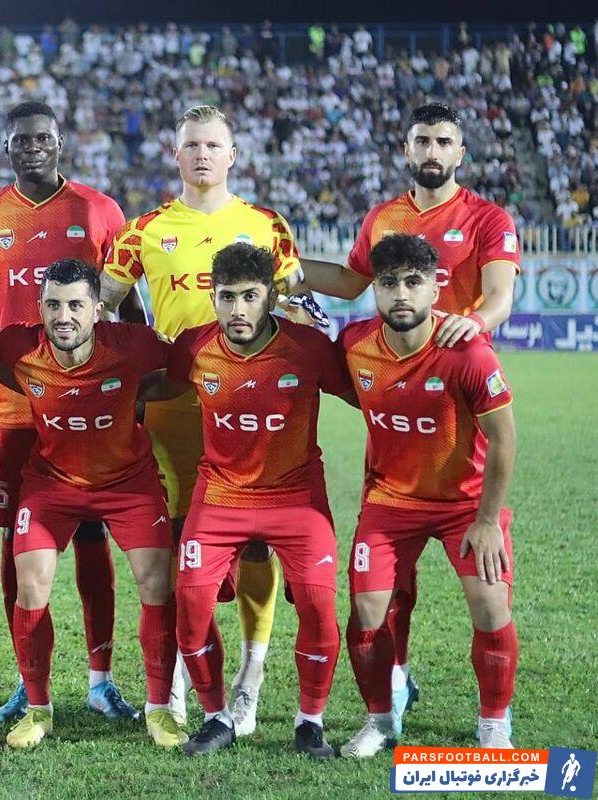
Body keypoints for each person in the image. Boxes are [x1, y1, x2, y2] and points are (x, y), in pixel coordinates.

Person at [296, 102, 521, 731]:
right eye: (422, 140)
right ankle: (392, 687)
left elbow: (500, 296)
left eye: (444, 141)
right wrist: (287, 271)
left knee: (485, 594)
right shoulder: (383, 217)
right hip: (395, 395)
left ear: (460, 153)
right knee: (386, 585)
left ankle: (494, 724)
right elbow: (349, 282)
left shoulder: (486, 218)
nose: (432, 151)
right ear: (406, 149)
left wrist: (471, 324)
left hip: (457, 386)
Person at [100, 104, 302, 731]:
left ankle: (250, 675)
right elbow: (104, 307)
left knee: (256, 543)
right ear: (176, 154)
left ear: (232, 154)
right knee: (182, 544)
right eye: (192, 145)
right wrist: (136, 356)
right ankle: (182, 676)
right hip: (175, 411)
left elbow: (295, 307)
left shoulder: (266, 225)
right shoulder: (143, 230)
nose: (203, 154)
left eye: (214, 144)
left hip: (252, 409)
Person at [0, 100, 145, 724]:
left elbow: (128, 309)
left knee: (91, 533)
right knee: (17, 542)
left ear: (61, 143)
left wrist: (136, 388)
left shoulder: (100, 211)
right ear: (5, 147)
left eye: (43, 138)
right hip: (15, 406)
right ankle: (24, 679)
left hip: (91, 405)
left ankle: (100, 679)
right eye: (21, 139)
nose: (33, 147)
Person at [140, 243, 352, 759]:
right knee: (191, 602)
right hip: (220, 496)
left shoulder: (308, 348)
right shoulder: (193, 347)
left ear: (271, 298)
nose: (238, 309)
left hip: (296, 498)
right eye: (227, 296)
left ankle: (310, 722)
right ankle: (217, 717)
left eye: (251, 296)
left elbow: (367, 392)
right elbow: (159, 387)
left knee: (319, 604)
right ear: (213, 298)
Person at [338, 234, 517, 756]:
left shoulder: (468, 353)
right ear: (374, 289)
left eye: (413, 282)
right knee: (367, 609)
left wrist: (487, 521)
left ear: (435, 289)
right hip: (391, 502)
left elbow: (504, 437)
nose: (400, 294)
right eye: (388, 282)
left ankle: (494, 723)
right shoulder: (353, 345)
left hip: (466, 504)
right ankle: (380, 720)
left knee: (490, 605)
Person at [0, 259, 180, 750]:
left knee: (156, 582)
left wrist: (143, 392)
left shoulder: (132, 345)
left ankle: (160, 711)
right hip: (51, 483)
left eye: (76, 305)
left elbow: (185, 364)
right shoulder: (19, 345)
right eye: (53, 305)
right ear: (39, 308)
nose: (64, 316)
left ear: (98, 309)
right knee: (31, 583)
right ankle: (38, 710)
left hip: (128, 482)